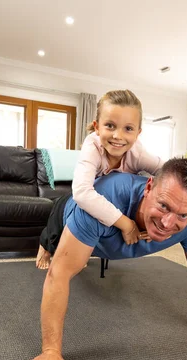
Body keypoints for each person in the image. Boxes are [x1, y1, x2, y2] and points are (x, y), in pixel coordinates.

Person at [9, 158, 187, 360]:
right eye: (163, 206)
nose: (169, 223)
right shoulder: (102, 199)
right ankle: (45, 242)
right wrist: (51, 351)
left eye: (182, 215)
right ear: (148, 187)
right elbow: (58, 275)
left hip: (103, 239)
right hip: (66, 213)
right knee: (54, 247)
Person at [36, 89, 164, 269]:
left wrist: (155, 220)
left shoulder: (138, 153)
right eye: (110, 125)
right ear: (97, 127)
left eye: (128, 128)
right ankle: (45, 247)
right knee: (61, 208)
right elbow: (82, 194)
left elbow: (167, 174)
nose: (118, 136)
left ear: (138, 133)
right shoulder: (92, 146)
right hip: (83, 197)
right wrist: (127, 225)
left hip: (115, 201)